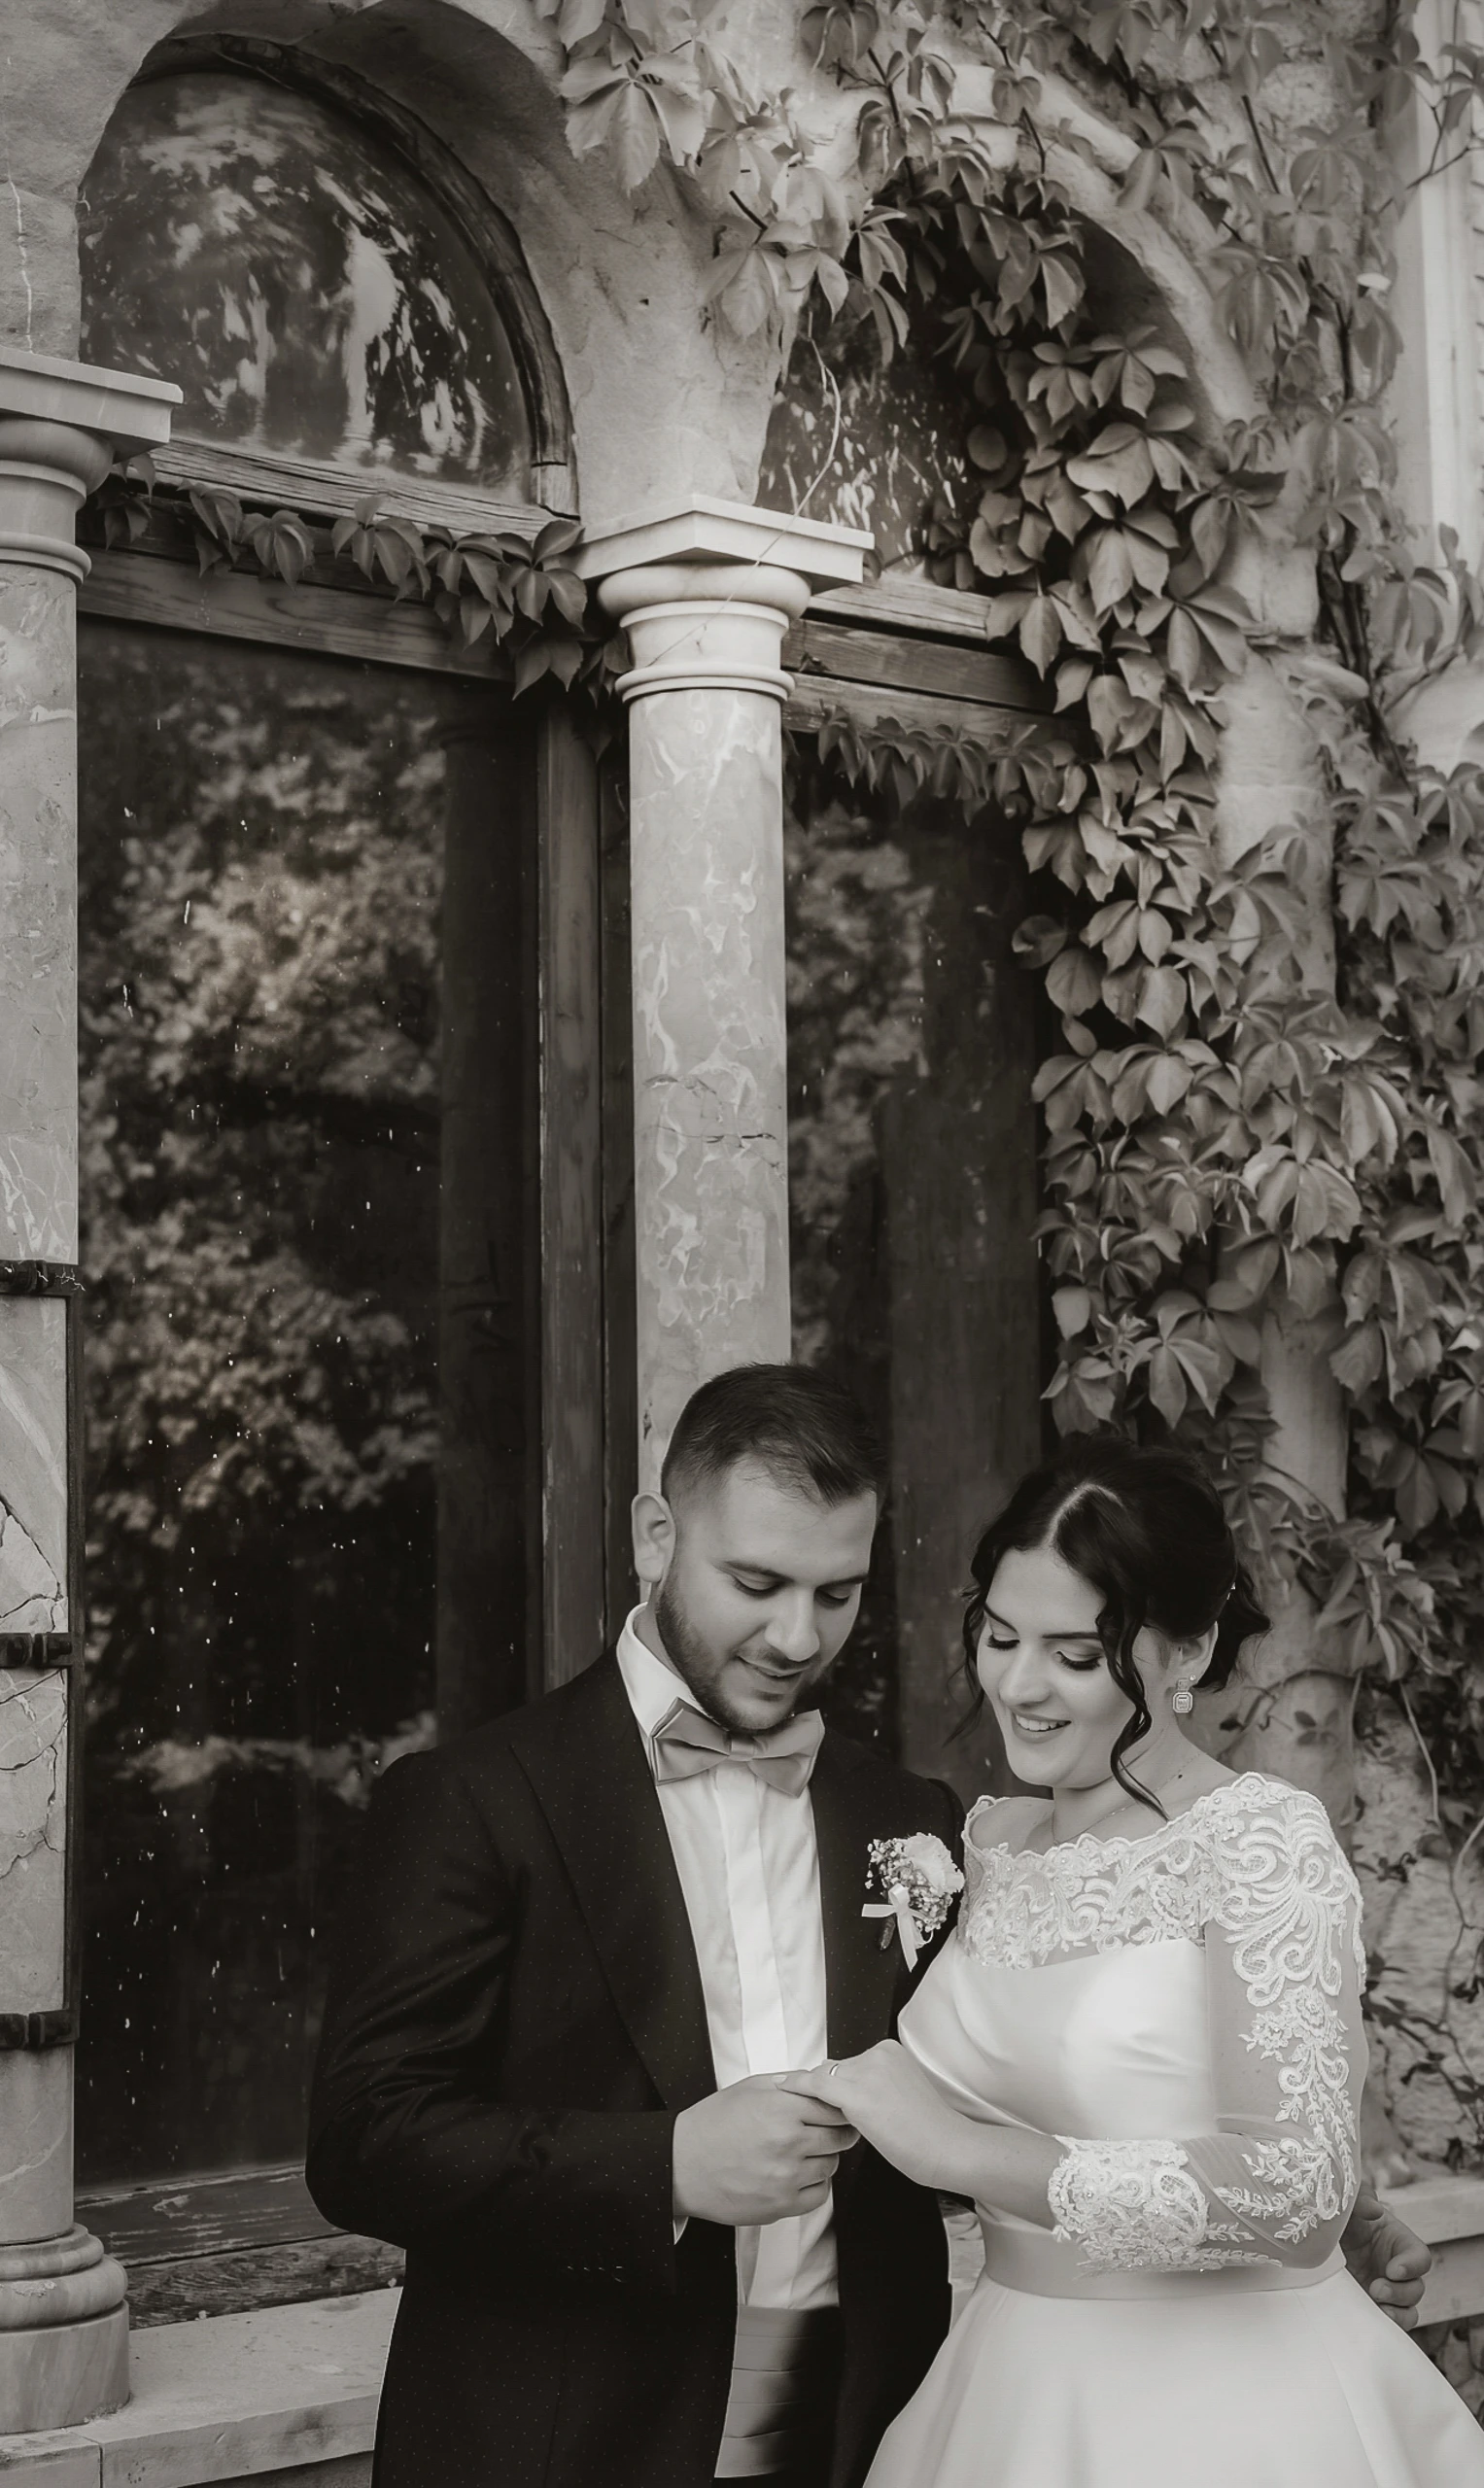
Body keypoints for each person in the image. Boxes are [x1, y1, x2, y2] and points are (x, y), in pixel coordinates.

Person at [307, 1369, 1428, 2488]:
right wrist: (667, 2166)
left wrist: (1329, 2203)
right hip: (573, 2447)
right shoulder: (474, 1798)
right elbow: (365, 2138)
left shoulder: (913, 1820)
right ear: (656, 1537)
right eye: (757, 1582)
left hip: (874, 2433)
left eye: (837, 1593)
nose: (797, 1635)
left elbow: (1065, 2070)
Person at [782, 1432, 1476, 2488]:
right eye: (999, 1636)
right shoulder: (986, 1844)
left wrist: (957, 2153)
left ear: (1188, 1653)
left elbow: (1296, 2190)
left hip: (1227, 2409)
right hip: (1003, 2389)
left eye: (1074, 1655)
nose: (1020, 1684)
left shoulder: (1258, 1840)